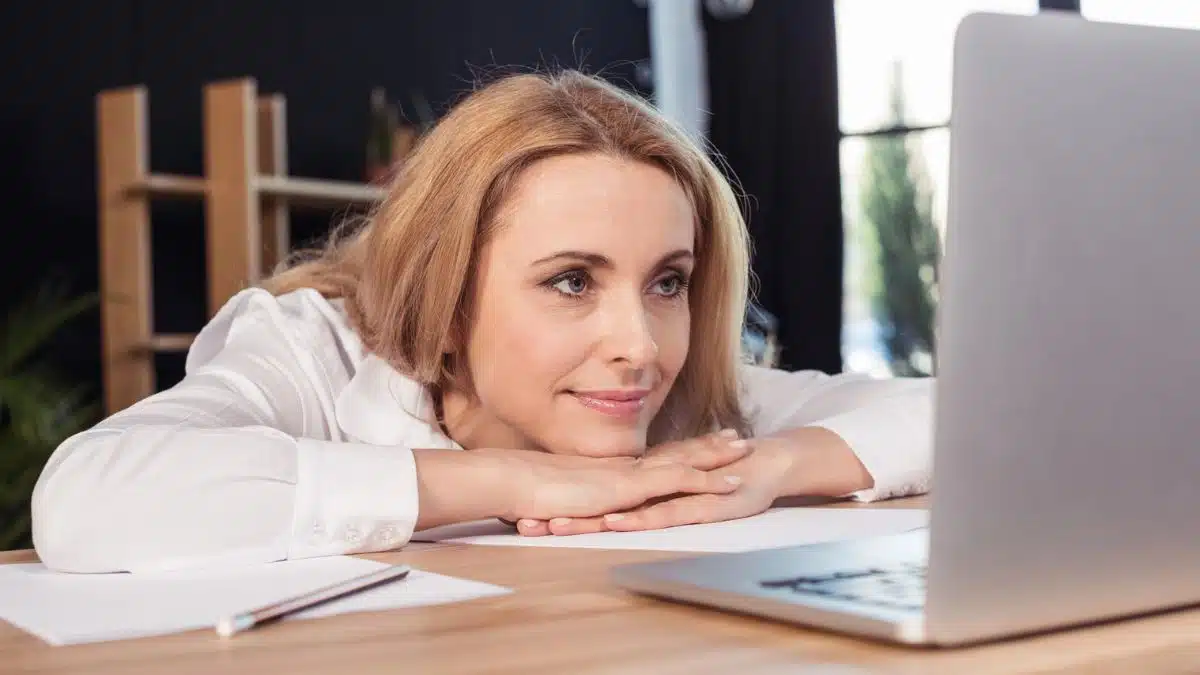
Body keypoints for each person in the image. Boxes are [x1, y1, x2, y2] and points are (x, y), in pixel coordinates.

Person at [31, 71, 931, 574]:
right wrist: (515, 481)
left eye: (668, 283)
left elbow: (979, 412)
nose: (640, 345)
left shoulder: (678, 395)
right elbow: (85, 497)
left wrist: (771, 466)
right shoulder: (311, 350)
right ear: (447, 293)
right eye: (573, 280)